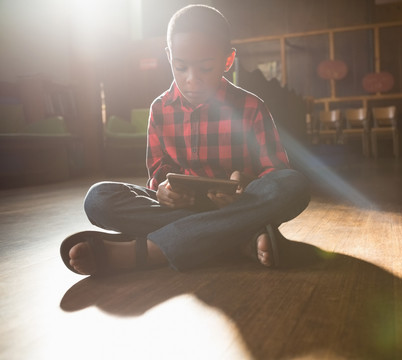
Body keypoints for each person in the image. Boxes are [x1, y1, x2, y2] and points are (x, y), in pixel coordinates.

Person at [60, 4, 311, 276]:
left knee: (293, 184)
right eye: (181, 67)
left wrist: (245, 187)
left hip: (238, 205)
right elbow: (158, 172)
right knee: (98, 198)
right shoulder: (160, 109)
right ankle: (239, 239)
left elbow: (276, 172)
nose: (192, 80)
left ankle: (146, 251)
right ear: (169, 57)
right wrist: (164, 190)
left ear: (228, 60)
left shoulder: (251, 107)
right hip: (187, 209)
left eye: (205, 68)